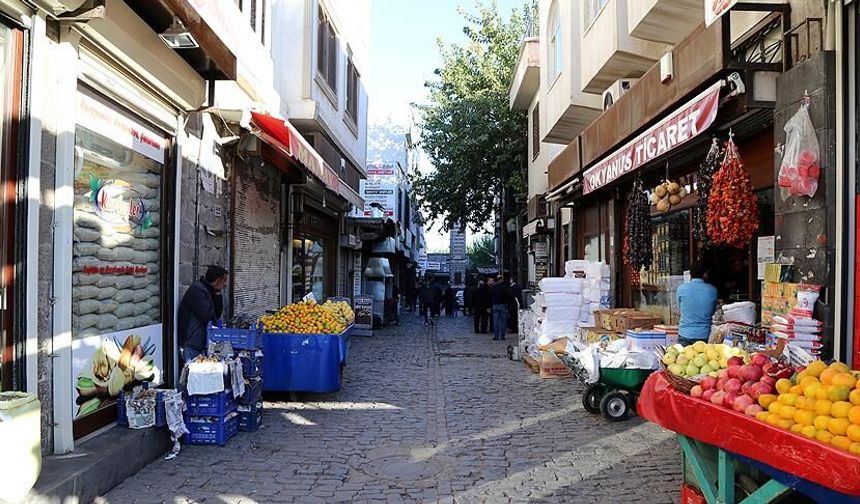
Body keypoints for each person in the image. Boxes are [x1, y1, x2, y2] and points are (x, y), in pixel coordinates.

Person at [177, 265, 228, 366]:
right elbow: (208, 316)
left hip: (200, 342)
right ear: (217, 280)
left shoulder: (208, 290)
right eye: (224, 280)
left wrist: (218, 293)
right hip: (191, 342)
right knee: (191, 375)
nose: (225, 284)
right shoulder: (197, 291)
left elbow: (216, 315)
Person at [677, 262, 719, 346]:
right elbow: (713, 311)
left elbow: (680, 309)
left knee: (684, 358)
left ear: (690, 274)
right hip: (704, 334)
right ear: (705, 274)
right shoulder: (713, 290)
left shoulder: (681, 289)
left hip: (685, 333)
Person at [490, 275, 511, 341]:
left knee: (496, 321)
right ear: (501, 279)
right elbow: (508, 296)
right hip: (502, 305)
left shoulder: (494, 287)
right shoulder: (504, 287)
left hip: (495, 305)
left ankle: (496, 336)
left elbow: (491, 296)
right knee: (503, 321)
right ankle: (502, 336)